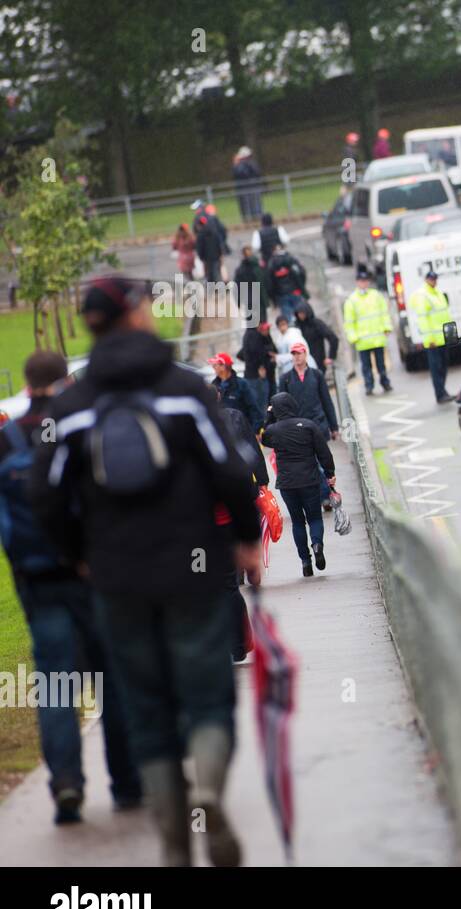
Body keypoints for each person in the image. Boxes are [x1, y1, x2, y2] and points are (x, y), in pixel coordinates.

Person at [31, 276, 262, 868]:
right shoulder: (185, 390)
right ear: (133, 314)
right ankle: (207, 791)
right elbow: (230, 471)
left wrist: (75, 554)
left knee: (147, 709)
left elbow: (46, 495)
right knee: (208, 697)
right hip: (195, 570)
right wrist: (242, 538)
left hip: (117, 579)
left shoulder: (70, 409)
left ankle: (174, 845)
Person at [0, 351, 142, 825]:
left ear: (25, 384)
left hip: (37, 577)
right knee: (112, 679)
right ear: (65, 381)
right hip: (92, 573)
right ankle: (126, 783)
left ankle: (65, 783)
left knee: (56, 684)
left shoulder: (7, 439)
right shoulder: (82, 429)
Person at [261, 392, 335, 578]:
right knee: (315, 518)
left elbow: (264, 437)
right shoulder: (309, 426)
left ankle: (305, 562)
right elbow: (323, 453)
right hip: (309, 480)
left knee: (297, 521)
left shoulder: (274, 430)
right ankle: (317, 545)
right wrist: (330, 474)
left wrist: (270, 415)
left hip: (287, 483)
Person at [218, 406, 268, 664]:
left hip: (198, 538)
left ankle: (226, 644)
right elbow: (242, 493)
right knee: (227, 587)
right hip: (224, 528)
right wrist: (251, 544)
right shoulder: (222, 444)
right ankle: (236, 644)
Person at [276, 342, 338, 504]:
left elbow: (326, 400)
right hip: (298, 429)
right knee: (312, 463)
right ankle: (324, 496)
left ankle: (326, 495)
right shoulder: (286, 379)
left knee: (322, 461)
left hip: (319, 424)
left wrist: (334, 426)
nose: (297, 356)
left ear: (306, 354)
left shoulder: (317, 375)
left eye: (300, 353)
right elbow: (280, 406)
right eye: (294, 354)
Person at [344, 265, 393, 395]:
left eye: (366, 281)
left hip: (377, 337)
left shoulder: (376, 295)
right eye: (361, 281)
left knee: (381, 365)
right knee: (366, 367)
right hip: (363, 340)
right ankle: (369, 386)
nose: (364, 283)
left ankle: (385, 382)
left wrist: (387, 327)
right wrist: (353, 337)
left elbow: (384, 313)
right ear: (357, 282)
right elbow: (349, 322)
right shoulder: (352, 300)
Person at [409, 270, 453, 403]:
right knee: (436, 368)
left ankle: (443, 391)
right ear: (426, 279)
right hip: (433, 340)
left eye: (435, 279)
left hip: (442, 337)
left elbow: (444, 314)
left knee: (443, 366)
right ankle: (440, 395)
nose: (434, 281)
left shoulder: (437, 292)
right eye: (431, 279)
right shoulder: (424, 295)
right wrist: (429, 340)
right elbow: (423, 319)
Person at [209, 352, 264, 432]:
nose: (213, 367)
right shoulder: (214, 385)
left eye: (215, 365)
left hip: (242, 430)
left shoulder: (241, 384)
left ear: (223, 366)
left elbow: (253, 408)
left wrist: (255, 431)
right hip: (224, 431)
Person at [237, 318, 278, 416]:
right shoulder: (254, 337)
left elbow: (274, 353)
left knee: (269, 406)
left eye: (267, 329)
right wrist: (259, 367)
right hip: (258, 378)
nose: (265, 330)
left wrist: (273, 358)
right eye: (263, 328)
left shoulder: (267, 339)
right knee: (261, 407)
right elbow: (244, 354)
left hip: (269, 377)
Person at [266, 244, 309, 324]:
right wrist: (302, 287)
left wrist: (273, 298)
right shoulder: (291, 259)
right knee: (301, 316)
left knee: (288, 319)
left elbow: (269, 283)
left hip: (281, 295)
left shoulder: (272, 263)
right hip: (296, 292)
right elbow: (301, 273)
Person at [293, 298, 339, 373]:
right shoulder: (296, 327)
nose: (300, 315)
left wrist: (331, 357)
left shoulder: (316, 324)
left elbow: (333, 338)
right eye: (299, 313)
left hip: (318, 363)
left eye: (302, 313)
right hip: (302, 364)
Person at [232, 246, 269, 325]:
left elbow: (236, 287)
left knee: (252, 324)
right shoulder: (259, 267)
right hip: (260, 299)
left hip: (249, 300)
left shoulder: (240, 269)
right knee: (263, 323)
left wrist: (238, 302)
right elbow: (267, 282)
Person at [231, 147, 264, 221]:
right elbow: (237, 174)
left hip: (253, 187)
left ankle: (257, 218)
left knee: (255, 204)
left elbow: (256, 173)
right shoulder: (239, 165)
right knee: (245, 205)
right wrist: (236, 164)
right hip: (243, 188)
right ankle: (248, 219)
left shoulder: (250, 163)